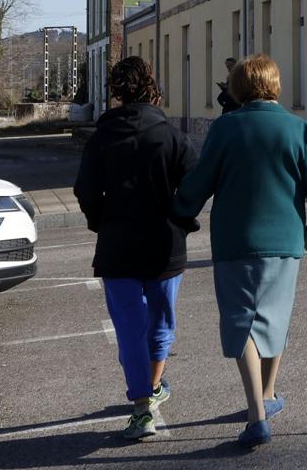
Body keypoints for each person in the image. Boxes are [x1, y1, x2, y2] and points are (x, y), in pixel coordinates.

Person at [174, 54, 307, 448]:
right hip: (286, 241)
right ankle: (266, 394)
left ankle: (256, 415)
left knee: (240, 321)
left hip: (236, 241)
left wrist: (180, 210)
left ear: (238, 88)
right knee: (274, 319)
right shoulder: (299, 129)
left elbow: (200, 183)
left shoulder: (225, 129)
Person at [73, 56, 198, 441]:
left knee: (129, 328)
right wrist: (180, 220)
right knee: (160, 324)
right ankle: (154, 389)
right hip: (165, 245)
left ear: (117, 93)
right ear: (151, 87)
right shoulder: (171, 136)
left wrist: (101, 222)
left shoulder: (101, 138)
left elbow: (85, 191)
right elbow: (193, 187)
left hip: (118, 245)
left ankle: (142, 407)